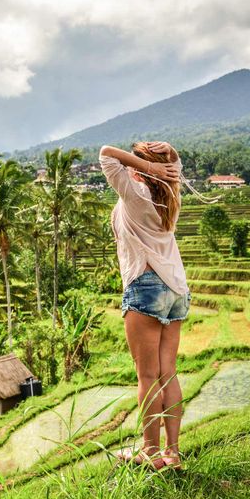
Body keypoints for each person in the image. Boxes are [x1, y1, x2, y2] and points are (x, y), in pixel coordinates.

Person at [99, 141, 190, 471]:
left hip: (146, 287)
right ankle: (173, 453)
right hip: (176, 289)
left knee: (147, 376)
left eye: (137, 159)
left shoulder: (135, 194)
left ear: (143, 167)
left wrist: (150, 165)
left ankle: (151, 453)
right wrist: (169, 154)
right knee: (167, 373)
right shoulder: (170, 194)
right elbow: (175, 169)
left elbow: (106, 153)